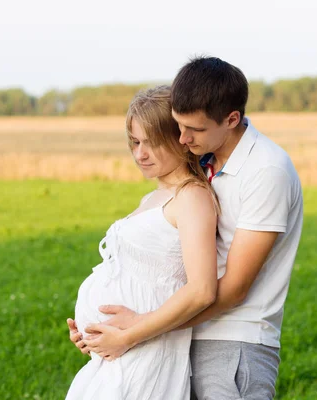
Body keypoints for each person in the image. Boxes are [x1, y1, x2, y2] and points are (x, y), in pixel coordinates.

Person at [69, 57, 304, 399]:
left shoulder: (266, 171)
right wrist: (103, 330)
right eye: (178, 126)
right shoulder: (207, 161)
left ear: (232, 119)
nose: (182, 138)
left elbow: (234, 288)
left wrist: (135, 328)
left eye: (192, 129)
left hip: (231, 338)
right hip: (180, 335)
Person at [65, 85, 220, 399]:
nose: (140, 154)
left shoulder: (191, 197)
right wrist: (92, 332)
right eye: (135, 142)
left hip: (147, 354)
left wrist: (126, 337)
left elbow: (202, 290)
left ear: (182, 139)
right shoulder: (153, 197)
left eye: (153, 143)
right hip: (119, 357)